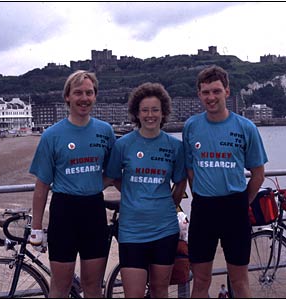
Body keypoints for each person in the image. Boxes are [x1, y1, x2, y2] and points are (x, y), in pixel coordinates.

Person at [29, 70, 116, 298]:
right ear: (67, 97)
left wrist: (96, 182)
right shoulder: (52, 135)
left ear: (95, 96)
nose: (84, 98)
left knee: (92, 285)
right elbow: (42, 186)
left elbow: (115, 173)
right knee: (60, 285)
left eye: (89, 92)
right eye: (78, 93)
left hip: (94, 210)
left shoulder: (105, 132)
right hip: (64, 212)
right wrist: (36, 227)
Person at [182, 65, 268, 298]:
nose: (211, 97)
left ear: (227, 92)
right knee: (200, 281)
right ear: (199, 94)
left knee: (239, 281)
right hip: (203, 208)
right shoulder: (191, 126)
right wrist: (199, 194)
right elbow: (190, 170)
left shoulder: (245, 127)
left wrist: (243, 203)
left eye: (216, 91)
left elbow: (258, 174)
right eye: (206, 92)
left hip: (235, 208)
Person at [105, 82, 187, 298]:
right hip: (132, 231)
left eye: (155, 110)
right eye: (145, 110)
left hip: (165, 230)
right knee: (134, 294)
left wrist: (170, 203)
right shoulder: (123, 145)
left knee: (160, 291)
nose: (150, 115)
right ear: (137, 113)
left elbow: (180, 181)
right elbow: (113, 177)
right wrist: (133, 192)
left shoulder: (175, 147)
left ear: (163, 113)